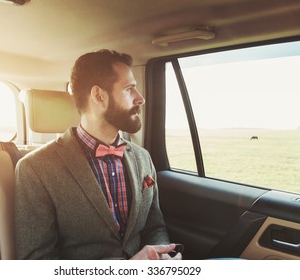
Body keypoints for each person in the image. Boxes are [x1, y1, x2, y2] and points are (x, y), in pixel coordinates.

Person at [15, 49, 181, 260]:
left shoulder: (143, 158)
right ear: (99, 96)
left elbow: (155, 227)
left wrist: (163, 254)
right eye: (129, 89)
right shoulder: (35, 168)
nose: (141, 99)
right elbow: (37, 263)